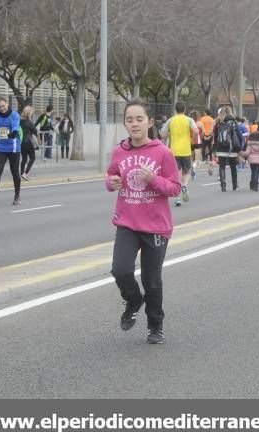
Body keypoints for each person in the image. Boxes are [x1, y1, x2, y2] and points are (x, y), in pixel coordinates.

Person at [105, 99, 181, 345]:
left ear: (150, 122)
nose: (134, 124)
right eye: (129, 119)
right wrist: (111, 182)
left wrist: (153, 180)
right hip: (127, 222)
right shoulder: (120, 151)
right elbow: (111, 175)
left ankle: (155, 325)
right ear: (125, 123)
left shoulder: (163, 152)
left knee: (152, 281)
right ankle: (133, 300)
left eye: (139, 119)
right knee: (120, 270)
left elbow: (175, 188)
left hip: (156, 226)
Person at [162, 101, 198, 206]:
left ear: (175, 109)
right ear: (185, 109)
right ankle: (185, 186)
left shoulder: (171, 120)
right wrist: (192, 139)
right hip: (186, 150)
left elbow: (162, 134)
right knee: (187, 171)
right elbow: (196, 131)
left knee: (176, 174)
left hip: (174, 151)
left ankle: (177, 198)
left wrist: (170, 134)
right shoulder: (189, 120)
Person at [0, 97, 21, 205]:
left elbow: (16, 125)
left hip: (13, 147)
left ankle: (17, 196)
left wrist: (14, 132)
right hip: (0, 147)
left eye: (3, 106)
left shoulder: (14, 115)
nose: (2, 108)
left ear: (7, 104)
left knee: (15, 172)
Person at [212, 106, 243, 192]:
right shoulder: (234, 122)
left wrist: (214, 150)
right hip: (232, 149)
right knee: (233, 167)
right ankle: (235, 185)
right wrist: (240, 147)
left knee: (222, 167)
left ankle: (223, 185)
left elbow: (215, 137)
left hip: (221, 148)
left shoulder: (218, 122)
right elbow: (239, 135)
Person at [19, 105, 38, 181]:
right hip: (29, 142)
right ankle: (25, 174)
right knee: (33, 158)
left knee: (24, 159)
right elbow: (35, 131)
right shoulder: (29, 122)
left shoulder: (19, 121)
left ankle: (21, 173)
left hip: (21, 143)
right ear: (29, 113)